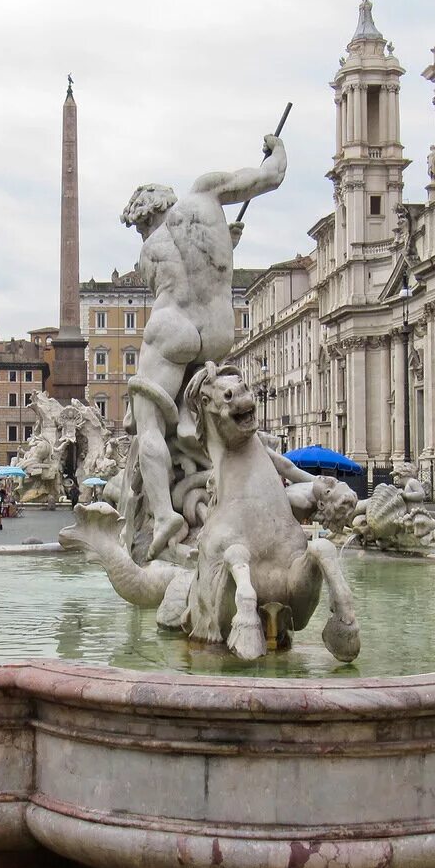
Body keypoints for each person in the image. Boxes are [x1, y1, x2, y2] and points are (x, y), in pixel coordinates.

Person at [123, 134, 287, 558]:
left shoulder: (149, 249)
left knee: (146, 426)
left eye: (139, 224)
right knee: (192, 412)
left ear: (147, 212)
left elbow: (173, 284)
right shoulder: (206, 192)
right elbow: (272, 176)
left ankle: (164, 515)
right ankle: (190, 436)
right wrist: (276, 147)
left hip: (173, 326)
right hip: (218, 330)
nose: (142, 232)